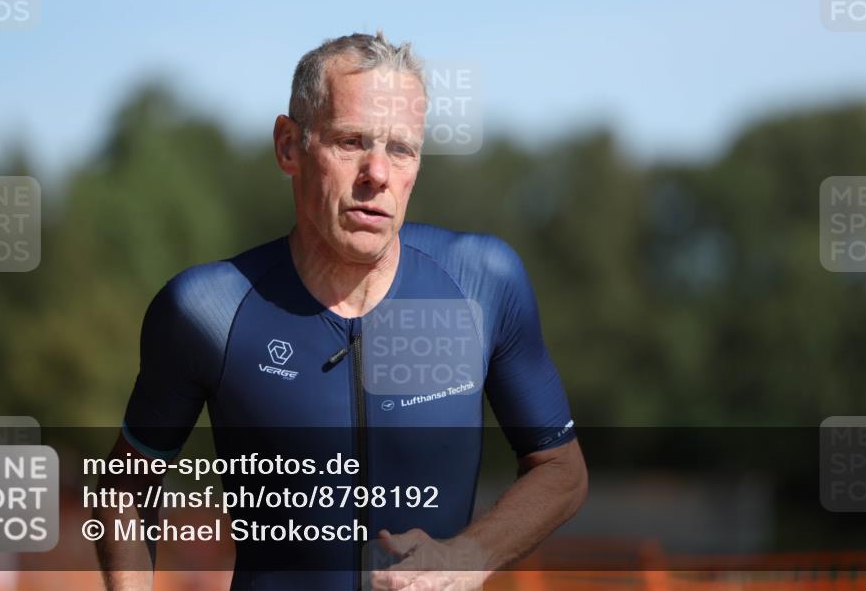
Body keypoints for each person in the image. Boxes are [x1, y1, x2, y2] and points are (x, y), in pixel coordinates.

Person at [95, 32, 588, 591]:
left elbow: (561, 470)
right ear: (289, 146)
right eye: (351, 142)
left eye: (401, 149)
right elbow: (124, 491)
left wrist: (469, 555)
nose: (377, 173)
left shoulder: (480, 284)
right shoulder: (208, 309)